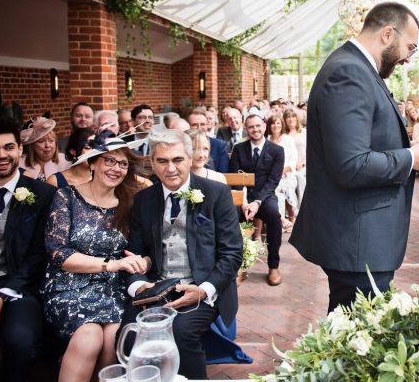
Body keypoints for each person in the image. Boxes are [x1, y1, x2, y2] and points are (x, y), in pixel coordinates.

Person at [290, 2, 419, 312]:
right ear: (388, 34)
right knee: (356, 342)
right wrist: (412, 158)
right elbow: (351, 164)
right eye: (410, 48)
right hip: (357, 241)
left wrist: (416, 148)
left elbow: (365, 140)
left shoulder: (356, 69)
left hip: (360, 239)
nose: (407, 60)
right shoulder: (350, 72)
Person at [122, 130, 242, 380]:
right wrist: (139, 286)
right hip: (157, 287)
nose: (171, 168)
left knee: (180, 332)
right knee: (131, 335)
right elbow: (135, 252)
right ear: (152, 163)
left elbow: (231, 253)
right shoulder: (144, 200)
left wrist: (205, 289)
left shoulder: (217, 193)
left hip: (202, 288)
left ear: (190, 158)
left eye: (177, 160)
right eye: (162, 161)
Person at [43, 132, 148, 382]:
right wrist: (110, 265)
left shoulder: (131, 203)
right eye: (109, 161)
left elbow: (143, 251)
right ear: (92, 162)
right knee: (89, 337)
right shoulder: (66, 196)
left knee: (114, 339)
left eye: (123, 164)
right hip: (67, 285)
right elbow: (58, 253)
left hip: (112, 288)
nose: (116, 168)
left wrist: (145, 261)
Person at [0, 116, 56, 381]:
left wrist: (1, 295)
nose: (1, 155)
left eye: (8, 147)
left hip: (20, 286)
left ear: (19, 150)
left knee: (21, 342)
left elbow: (40, 254)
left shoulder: (42, 194)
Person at [229, 114, 285, 286]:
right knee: (231, 218)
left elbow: (272, 182)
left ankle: (273, 266)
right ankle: (239, 267)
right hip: (244, 197)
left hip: (265, 196)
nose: (255, 129)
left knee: (274, 217)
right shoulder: (239, 149)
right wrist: (243, 201)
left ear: (264, 126)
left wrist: (257, 202)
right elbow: (235, 178)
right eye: (251, 127)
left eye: (258, 126)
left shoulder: (277, 150)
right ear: (246, 129)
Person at [266, 113, 299, 227]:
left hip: (286, 173)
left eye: (278, 123)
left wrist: (282, 171)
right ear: (269, 126)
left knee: (287, 187)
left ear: (282, 125)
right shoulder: (266, 140)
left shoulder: (288, 140)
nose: (276, 125)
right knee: (274, 189)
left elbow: (293, 159)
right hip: (270, 175)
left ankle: (291, 217)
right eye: (273, 123)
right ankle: (279, 220)